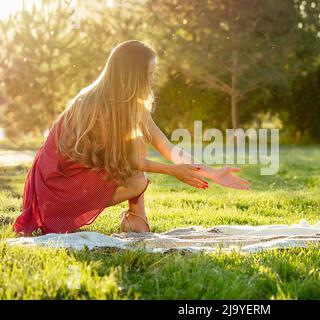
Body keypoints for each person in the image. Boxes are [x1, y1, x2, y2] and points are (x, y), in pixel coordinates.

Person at [13, 40, 250, 236]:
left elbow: (168, 148)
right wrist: (170, 171)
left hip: (79, 179)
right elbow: (126, 161)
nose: (152, 79)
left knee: (137, 163)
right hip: (55, 188)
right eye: (149, 74)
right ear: (131, 76)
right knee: (137, 179)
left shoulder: (132, 108)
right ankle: (127, 218)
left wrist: (213, 173)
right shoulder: (95, 105)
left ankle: (136, 218)